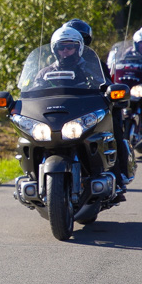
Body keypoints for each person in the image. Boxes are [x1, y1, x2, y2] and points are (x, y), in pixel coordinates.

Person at [56, 22, 129, 200]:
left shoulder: (94, 65)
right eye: (62, 47)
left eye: (71, 46)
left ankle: (118, 179)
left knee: (113, 133)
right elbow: (33, 88)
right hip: (61, 116)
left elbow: (108, 86)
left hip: (88, 113)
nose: (66, 51)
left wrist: (110, 96)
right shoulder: (49, 70)